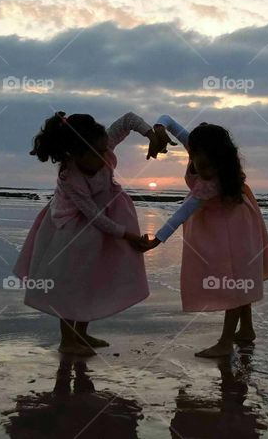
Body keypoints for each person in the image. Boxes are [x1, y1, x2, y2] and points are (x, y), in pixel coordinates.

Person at [14, 111, 169, 356]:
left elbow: (129, 119)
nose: (103, 157)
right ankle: (67, 340)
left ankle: (82, 333)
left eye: (103, 150)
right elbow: (92, 215)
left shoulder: (102, 142)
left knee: (92, 279)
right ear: (74, 154)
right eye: (95, 154)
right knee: (69, 283)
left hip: (102, 224)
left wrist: (151, 134)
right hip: (71, 230)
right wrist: (127, 235)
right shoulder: (70, 176)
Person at [139, 115, 268, 357]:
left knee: (234, 279)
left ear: (220, 162)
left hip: (233, 228)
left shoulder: (211, 182)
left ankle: (225, 342)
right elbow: (169, 120)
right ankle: (246, 329)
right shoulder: (199, 149)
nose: (200, 170)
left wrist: (157, 239)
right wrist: (159, 129)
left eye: (206, 166)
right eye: (197, 163)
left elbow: (183, 212)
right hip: (227, 222)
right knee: (239, 276)